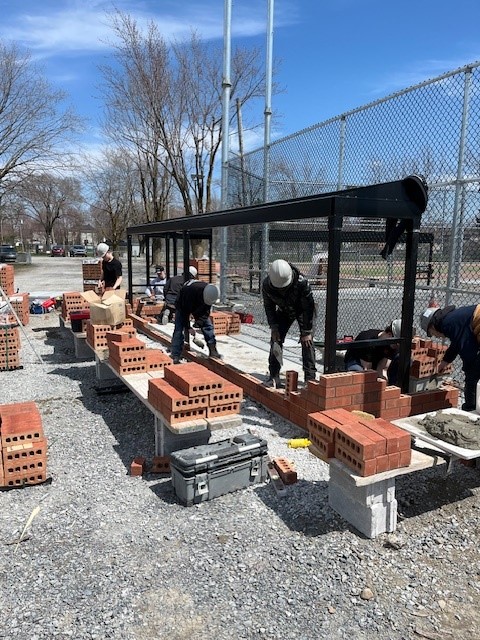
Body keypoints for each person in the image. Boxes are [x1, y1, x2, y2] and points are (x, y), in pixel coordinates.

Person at [262, 259, 316, 388]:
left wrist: (306, 331)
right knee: (276, 340)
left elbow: (308, 307)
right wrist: (274, 327)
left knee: (307, 342)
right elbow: (269, 307)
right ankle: (274, 374)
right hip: (284, 310)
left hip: (303, 310)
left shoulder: (301, 282)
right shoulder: (267, 285)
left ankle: (310, 378)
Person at [420, 304, 480, 411]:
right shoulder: (451, 319)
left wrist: (468, 369)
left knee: (472, 376)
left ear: (432, 326)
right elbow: (456, 344)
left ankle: (470, 410)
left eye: (431, 333)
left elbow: (466, 347)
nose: (435, 336)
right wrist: (444, 363)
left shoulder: (447, 324)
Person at [170, 280, 221, 364]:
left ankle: (213, 351)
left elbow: (205, 312)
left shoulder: (210, 292)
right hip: (183, 303)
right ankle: (175, 354)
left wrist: (198, 323)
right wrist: (188, 327)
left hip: (198, 301)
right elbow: (185, 312)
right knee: (179, 329)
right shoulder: (189, 293)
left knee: (207, 326)